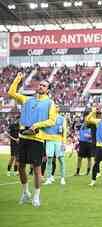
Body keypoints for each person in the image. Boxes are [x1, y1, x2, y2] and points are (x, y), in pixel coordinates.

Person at [8, 73, 57, 207]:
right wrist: (17, 79)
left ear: (48, 89)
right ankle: (25, 192)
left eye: (44, 85)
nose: (41, 86)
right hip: (23, 137)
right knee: (20, 167)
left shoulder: (50, 103)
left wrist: (37, 125)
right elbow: (11, 93)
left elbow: (52, 121)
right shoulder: (27, 99)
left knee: (36, 169)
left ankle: (36, 196)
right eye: (40, 84)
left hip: (37, 139)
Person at [43, 112, 67, 185]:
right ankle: (48, 178)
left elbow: (64, 131)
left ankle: (62, 178)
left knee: (61, 160)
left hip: (59, 141)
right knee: (49, 160)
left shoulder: (62, 119)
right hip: (49, 140)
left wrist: (64, 143)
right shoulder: (46, 118)